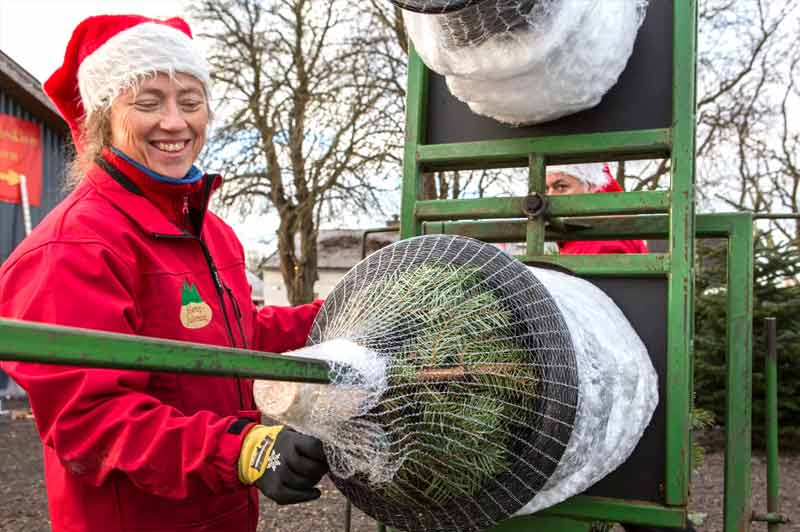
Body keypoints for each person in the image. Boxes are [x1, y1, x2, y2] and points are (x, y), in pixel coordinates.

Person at [0, 15, 328, 532]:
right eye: (148, 102)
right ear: (105, 117)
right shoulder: (74, 246)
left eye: (190, 102)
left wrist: (339, 314)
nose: (174, 123)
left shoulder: (212, 232)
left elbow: (237, 336)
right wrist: (241, 450)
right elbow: (90, 421)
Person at [546, 163, 648, 254]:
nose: (550, 196)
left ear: (590, 187)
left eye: (561, 187)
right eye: (546, 189)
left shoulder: (602, 241)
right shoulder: (584, 235)